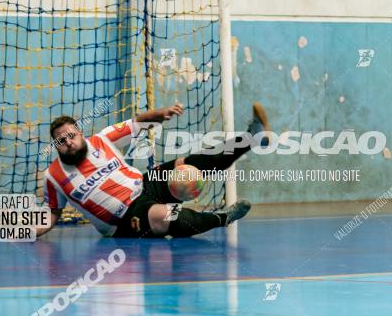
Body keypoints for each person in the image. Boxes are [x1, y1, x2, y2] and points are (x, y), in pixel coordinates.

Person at [35, 102, 271, 238]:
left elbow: (136, 122)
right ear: (55, 145)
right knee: (165, 216)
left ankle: (252, 137)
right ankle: (223, 218)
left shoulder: (102, 139)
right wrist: (29, 230)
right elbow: (53, 214)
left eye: (71, 136)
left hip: (147, 184)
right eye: (61, 141)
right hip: (125, 218)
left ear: (80, 133)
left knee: (192, 163)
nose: (68, 142)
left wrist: (159, 115)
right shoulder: (54, 177)